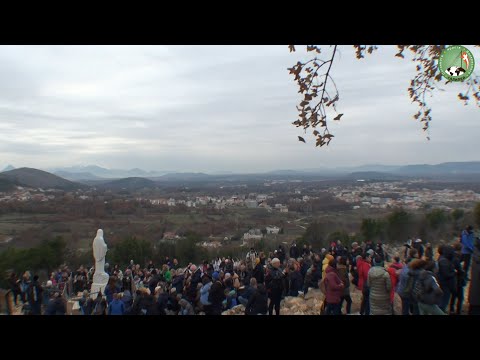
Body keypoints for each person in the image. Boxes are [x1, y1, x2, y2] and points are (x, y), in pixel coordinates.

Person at [437, 245, 457, 313]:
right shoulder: (443, 261)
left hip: (445, 283)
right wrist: (454, 272)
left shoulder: (444, 259)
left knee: (444, 300)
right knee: (444, 301)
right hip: (445, 284)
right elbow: (446, 274)